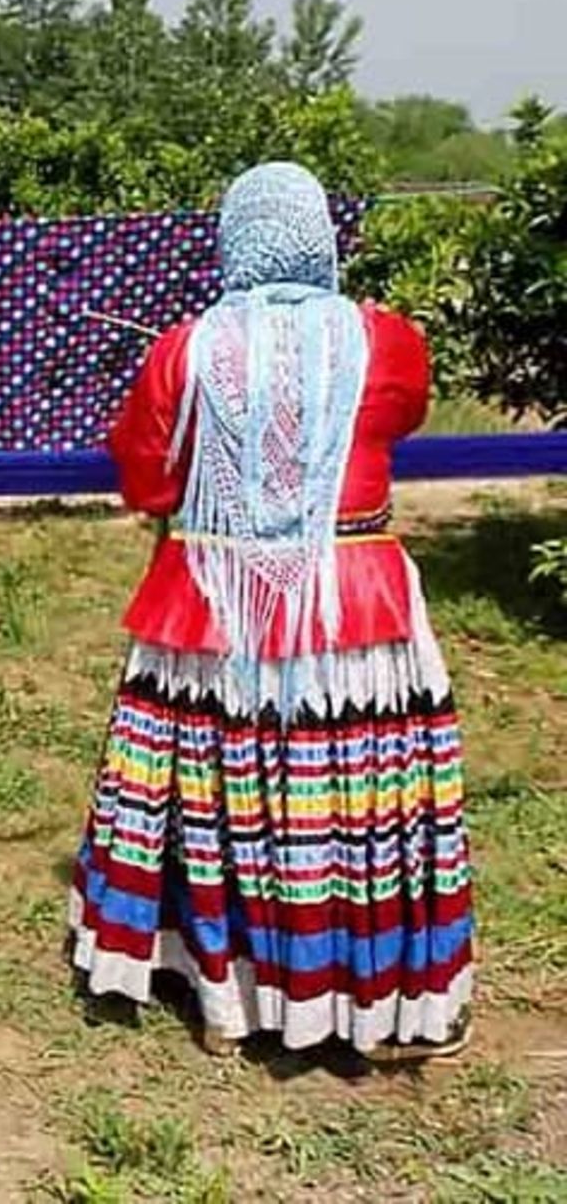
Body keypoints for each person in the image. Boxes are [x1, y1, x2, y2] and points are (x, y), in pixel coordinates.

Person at [69, 162, 471, 1062]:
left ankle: (226, 1001)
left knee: (218, 797)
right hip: (353, 601)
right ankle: (372, 1001)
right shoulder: (388, 341)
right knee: (349, 805)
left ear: (235, 239)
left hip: (212, 609)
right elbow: (398, 421)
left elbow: (148, 478)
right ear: (320, 237)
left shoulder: (186, 347)